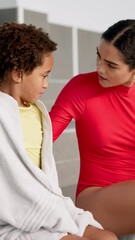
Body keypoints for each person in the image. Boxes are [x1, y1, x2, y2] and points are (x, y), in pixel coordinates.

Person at [0, 22, 118, 240]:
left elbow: (45, 173)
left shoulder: (38, 112)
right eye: (44, 76)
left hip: (48, 204)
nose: (46, 84)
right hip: (17, 215)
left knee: (107, 237)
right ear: (18, 74)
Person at [49, 19, 135, 238]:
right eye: (99, 56)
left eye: (111, 65)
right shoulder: (80, 88)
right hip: (96, 198)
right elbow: (42, 136)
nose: (99, 68)